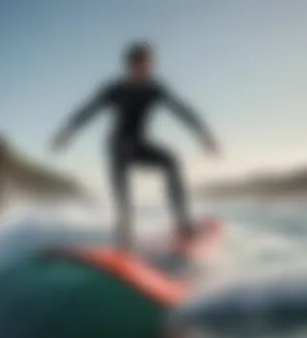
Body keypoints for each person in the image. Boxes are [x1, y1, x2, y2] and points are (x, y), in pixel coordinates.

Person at [50, 41, 221, 249]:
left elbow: (183, 111)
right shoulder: (114, 90)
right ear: (129, 66)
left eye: (147, 64)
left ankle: (181, 224)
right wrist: (67, 132)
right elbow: (87, 110)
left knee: (171, 160)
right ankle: (124, 233)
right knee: (125, 208)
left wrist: (203, 134)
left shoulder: (155, 89)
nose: (143, 69)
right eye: (138, 64)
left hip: (140, 146)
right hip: (117, 149)